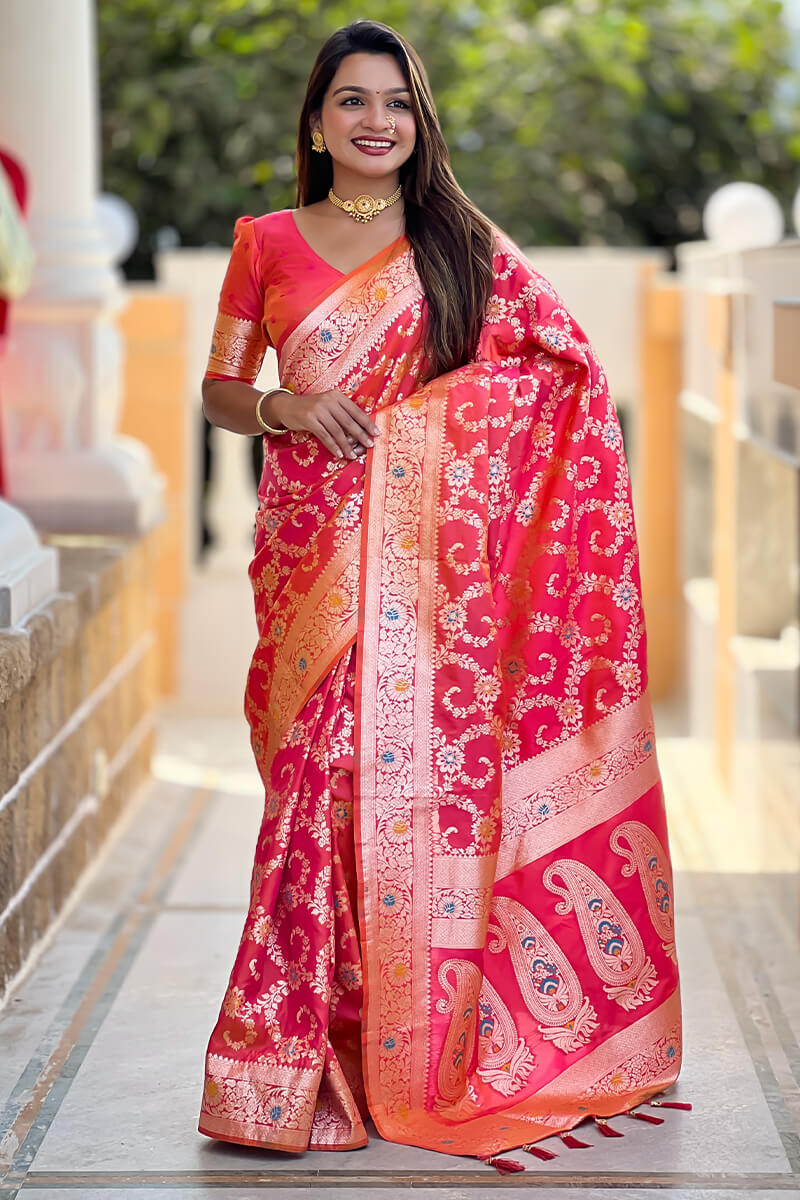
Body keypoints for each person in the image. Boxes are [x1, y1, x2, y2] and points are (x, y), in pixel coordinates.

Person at [198, 19, 685, 1168]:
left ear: (419, 125)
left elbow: (563, 369)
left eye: (396, 105)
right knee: (310, 785)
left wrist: (427, 431)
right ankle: (297, 1056)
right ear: (316, 122)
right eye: (352, 103)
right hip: (309, 549)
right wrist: (286, 410)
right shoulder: (264, 242)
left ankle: (393, 1052)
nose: (375, 122)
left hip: (429, 581)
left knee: (397, 792)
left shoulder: (456, 241)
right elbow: (223, 389)